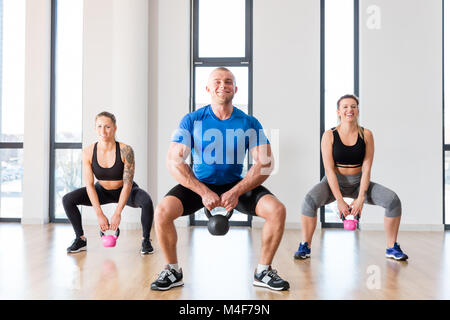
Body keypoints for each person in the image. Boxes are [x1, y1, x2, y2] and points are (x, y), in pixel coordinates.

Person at [150, 67, 289, 291]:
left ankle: (263, 271)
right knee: (163, 211)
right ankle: (173, 271)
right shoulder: (193, 120)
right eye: (217, 81)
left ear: (235, 88)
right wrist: (203, 192)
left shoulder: (249, 122)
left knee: (277, 210)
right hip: (201, 186)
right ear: (207, 88)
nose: (222, 85)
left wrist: (235, 192)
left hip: (236, 185)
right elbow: (173, 160)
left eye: (228, 81)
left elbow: (266, 163)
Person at [294, 94, 408, 261]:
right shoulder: (329, 135)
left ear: (358, 110)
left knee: (393, 201)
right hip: (333, 183)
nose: (350, 110)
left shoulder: (366, 134)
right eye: (345, 107)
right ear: (338, 111)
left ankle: (391, 247)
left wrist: (361, 197)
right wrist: (340, 200)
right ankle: (305, 245)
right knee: (309, 201)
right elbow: (329, 170)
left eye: (353, 106)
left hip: (359, 182)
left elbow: (367, 168)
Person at [62, 111, 154, 255]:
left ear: (115, 128)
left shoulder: (126, 150)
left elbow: (128, 184)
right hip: (102, 191)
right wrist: (99, 214)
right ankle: (80, 239)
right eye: (99, 127)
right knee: (68, 199)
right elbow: (90, 185)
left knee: (146, 201)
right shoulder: (88, 152)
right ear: (95, 128)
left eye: (107, 127)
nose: (103, 131)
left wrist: (118, 213)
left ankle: (146, 240)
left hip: (125, 190)